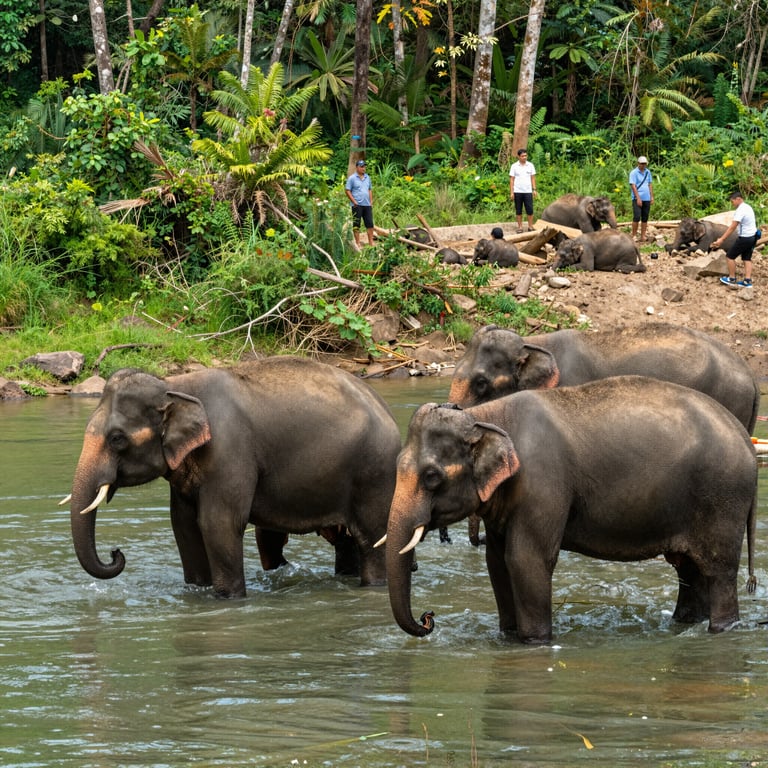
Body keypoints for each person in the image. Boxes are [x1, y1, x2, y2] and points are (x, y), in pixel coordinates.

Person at [714, 191, 757, 287]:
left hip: (745, 238)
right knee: (747, 258)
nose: (732, 204)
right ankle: (747, 281)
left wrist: (722, 239)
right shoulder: (748, 207)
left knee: (730, 256)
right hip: (752, 237)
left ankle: (732, 278)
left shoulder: (741, 210)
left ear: (738, 199)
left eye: (732, 201)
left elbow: (732, 227)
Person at [345, 159, 374, 247]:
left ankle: (371, 242)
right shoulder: (352, 178)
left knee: (370, 224)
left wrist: (371, 202)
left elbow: (369, 190)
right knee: (356, 224)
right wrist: (354, 201)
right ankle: (357, 243)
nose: (363, 168)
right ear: (357, 167)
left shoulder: (367, 177)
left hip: (367, 205)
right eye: (361, 167)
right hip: (356, 205)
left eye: (364, 166)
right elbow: (347, 190)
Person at [509, 149, 537, 233]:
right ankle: (520, 227)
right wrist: (512, 192)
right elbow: (512, 180)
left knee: (530, 209)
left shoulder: (530, 165)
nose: (524, 157)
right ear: (518, 156)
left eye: (525, 156)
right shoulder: (514, 166)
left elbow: (532, 178)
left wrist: (534, 189)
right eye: (522, 156)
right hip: (517, 191)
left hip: (528, 191)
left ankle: (530, 226)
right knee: (518, 210)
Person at [629, 155, 653, 243]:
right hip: (637, 198)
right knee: (636, 216)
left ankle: (643, 236)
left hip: (646, 197)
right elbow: (633, 186)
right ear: (638, 163)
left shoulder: (648, 172)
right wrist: (638, 198)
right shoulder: (633, 173)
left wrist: (651, 196)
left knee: (645, 217)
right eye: (641, 164)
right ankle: (634, 235)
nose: (643, 165)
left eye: (644, 164)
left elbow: (650, 184)